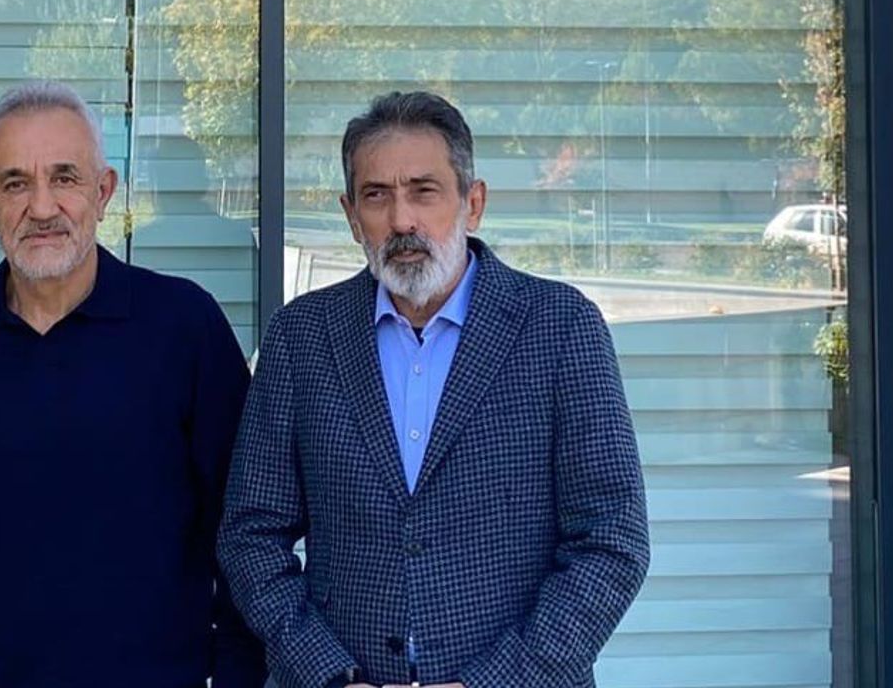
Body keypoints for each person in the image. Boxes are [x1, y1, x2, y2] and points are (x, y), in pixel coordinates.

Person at [218, 91, 649, 688]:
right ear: (351, 215)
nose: (402, 221)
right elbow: (250, 535)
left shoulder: (560, 327)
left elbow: (612, 540)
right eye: (377, 196)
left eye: (424, 191)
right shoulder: (303, 336)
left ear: (473, 203)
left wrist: (493, 683)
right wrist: (326, 673)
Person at [0, 80, 266, 688]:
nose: (43, 207)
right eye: (15, 184)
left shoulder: (184, 328)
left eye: (65, 178)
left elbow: (242, 526)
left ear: (103, 192)